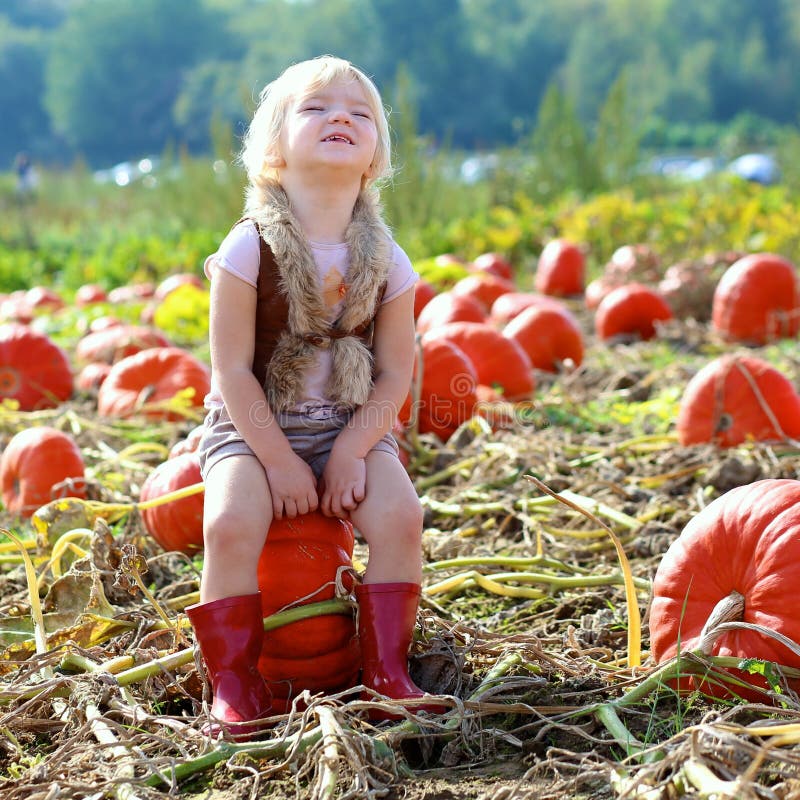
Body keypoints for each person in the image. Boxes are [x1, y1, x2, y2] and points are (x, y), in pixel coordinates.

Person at [187, 55, 442, 737]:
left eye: (360, 113)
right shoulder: (248, 249)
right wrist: (276, 461)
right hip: (253, 427)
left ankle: (386, 671)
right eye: (317, 108)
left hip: (347, 425)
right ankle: (237, 686)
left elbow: (394, 375)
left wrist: (355, 450)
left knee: (401, 518)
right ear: (273, 150)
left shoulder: (388, 261)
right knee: (229, 525)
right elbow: (232, 373)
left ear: (375, 156)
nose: (341, 117)